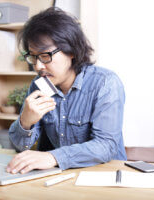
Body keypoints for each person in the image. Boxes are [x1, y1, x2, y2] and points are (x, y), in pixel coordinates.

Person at [7, 7, 126, 174]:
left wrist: (53, 157)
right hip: (62, 176)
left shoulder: (105, 83)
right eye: (33, 57)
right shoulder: (39, 85)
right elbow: (19, 146)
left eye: (45, 55)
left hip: (106, 175)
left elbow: (106, 146)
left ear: (71, 51)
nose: (38, 66)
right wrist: (25, 122)